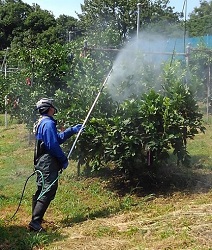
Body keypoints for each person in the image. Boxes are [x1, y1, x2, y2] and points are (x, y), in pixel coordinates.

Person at [29, 98, 83, 232]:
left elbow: (55, 139)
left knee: (42, 188)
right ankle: (35, 222)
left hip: (42, 160)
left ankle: (37, 219)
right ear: (49, 108)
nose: (54, 107)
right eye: (52, 105)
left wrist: (71, 130)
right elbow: (52, 145)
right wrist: (63, 159)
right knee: (48, 188)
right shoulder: (47, 123)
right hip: (47, 161)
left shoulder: (43, 122)